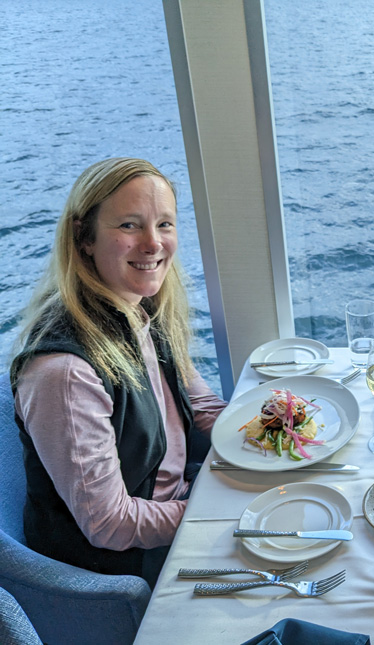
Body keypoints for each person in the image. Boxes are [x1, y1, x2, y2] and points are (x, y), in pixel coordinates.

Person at [10, 158, 226, 588]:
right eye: (129, 225)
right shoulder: (64, 374)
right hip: (125, 562)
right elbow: (110, 524)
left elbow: (196, 401)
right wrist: (221, 510)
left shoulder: (140, 301)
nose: (153, 243)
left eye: (165, 224)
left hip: (177, 501)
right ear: (83, 236)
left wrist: (268, 433)